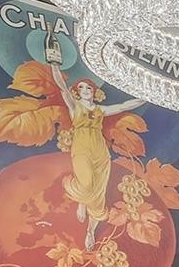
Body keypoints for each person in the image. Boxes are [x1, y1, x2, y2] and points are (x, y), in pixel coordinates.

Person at [50, 64, 145, 249]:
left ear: (94, 92)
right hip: (82, 149)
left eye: (89, 87)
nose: (85, 90)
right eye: (81, 88)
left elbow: (124, 106)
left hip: (100, 152)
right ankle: (82, 201)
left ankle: (90, 231)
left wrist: (146, 97)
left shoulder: (101, 110)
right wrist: (54, 66)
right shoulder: (74, 106)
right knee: (86, 184)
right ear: (77, 92)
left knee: (99, 191)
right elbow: (62, 86)